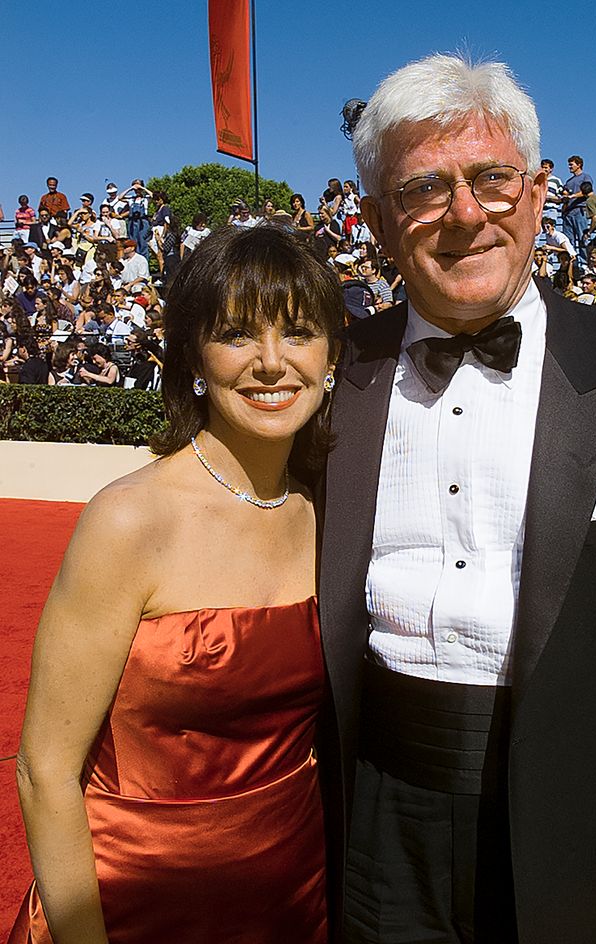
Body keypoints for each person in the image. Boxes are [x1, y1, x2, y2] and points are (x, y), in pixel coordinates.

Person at [319, 53, 596, 944]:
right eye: (425, 189)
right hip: (371, 821)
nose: (465, 215)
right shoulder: (333, 373)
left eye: (490, 179)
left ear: (540, 190)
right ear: (376, 220)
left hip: (580, 831)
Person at [10, 224, 344, 944]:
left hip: (294, 898)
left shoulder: (334, 508)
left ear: (331, 356)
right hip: (135, 906)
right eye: (235, 335)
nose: (270, 363)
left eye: (297, 333)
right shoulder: (129, 520)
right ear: (194, 356)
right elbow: (44, 770)